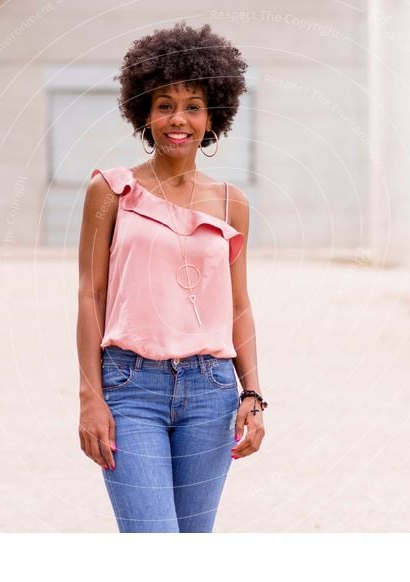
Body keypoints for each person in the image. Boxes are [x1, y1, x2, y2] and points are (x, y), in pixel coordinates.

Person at [76, 21, 267, 533]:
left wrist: (252, 394)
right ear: (144, 113)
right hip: (130, 387)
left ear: (213, 117)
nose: (177, 119)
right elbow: (91, 295)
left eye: (192, 105)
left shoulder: (233, 203)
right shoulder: (110, 192)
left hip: (211, 391)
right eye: (164, 105)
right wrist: (90, 396)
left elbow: (240, 304)